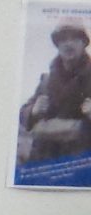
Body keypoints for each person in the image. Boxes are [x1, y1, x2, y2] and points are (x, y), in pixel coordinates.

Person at [17, 19, 91, 163]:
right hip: (44, 161)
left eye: (74, 38)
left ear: (84, 43)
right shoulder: (47, 80)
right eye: (63, 39)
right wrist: (33, 111)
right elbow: (23, 114)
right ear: (57, 45)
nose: (68, 44)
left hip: (81, 164)